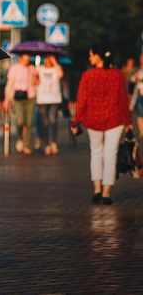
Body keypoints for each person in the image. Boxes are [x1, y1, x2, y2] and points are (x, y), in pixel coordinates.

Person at [70, 47, 133, 205]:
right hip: (115, 119)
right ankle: (106, 193)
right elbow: (123, 99)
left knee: (96, 153)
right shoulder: (118, 75)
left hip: (94, 119)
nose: (89, 58)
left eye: (91, 55)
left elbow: (82, 100)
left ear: (98, 56)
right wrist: (129, 122)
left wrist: (76, 121)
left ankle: (97, 189)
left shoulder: (88, 75)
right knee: (110, 154)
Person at [5, 54, 39, 155]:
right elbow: (9, 83)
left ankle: (27, 145)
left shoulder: (32, 68)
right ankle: (20, 139)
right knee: (20, 121)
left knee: (29, 122)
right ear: (20, 59)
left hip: (30, 97)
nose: (26, 61)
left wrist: (35, 76)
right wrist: (6, 98)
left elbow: (36, 84)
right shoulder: (14, 68)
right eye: (24, 59)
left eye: (28, 59)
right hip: (18, 97)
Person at [37, 55, 64, 155]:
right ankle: (47, 143)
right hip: (42, 99)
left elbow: (61, 75)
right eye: (47, 58)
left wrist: (55, 63)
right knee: (45, 122)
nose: (48, 60)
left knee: (53, 120)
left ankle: (54, 142)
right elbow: (34, 79)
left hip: (54, 98)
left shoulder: (57, 68)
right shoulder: (39, 68)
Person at [131, 54, 143, 140]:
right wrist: (135, 78)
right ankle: (142, 131)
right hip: (139, 94)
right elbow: (131, 79)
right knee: (140, 113)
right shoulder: (137, 70)